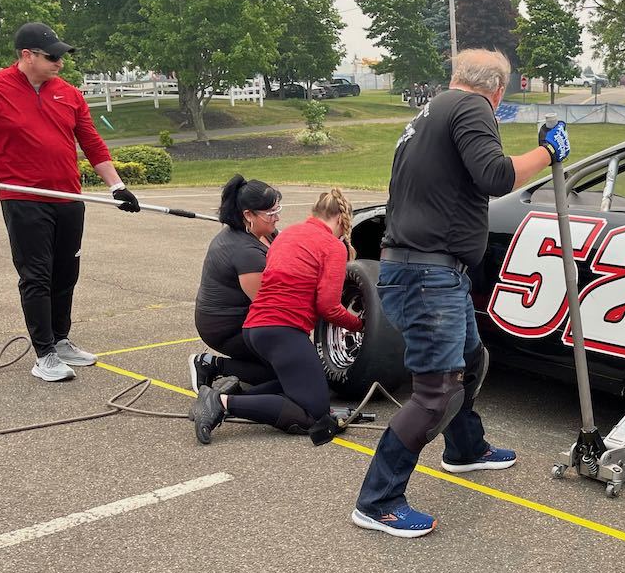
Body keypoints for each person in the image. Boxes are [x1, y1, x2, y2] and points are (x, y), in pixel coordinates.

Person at [351, 47, 571, 539]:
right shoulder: (472, 106)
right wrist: (548, 151)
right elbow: (495, 176)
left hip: (424, 269)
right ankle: (377, 501)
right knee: (436, 393)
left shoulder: (429, 112)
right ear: (497, 90)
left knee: (471, 360)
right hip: (427, 274)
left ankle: (466, 448)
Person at [0, 21, 140, 382]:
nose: (60, 63)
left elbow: (92, 143)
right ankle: (44, 354)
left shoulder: (69, 94)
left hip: (68, 196)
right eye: (52, 57)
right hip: (23, 198)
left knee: (66, 273)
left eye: (61, 57)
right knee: (37, 276)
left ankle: (60, 340)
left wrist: (117, 186)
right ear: (27, 55)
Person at [189, 188, 362, 445]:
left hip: (255, 328)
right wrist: (360, 325)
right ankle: (222, 402)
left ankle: (221, 398)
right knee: (314, 415)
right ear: (340, 219)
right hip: (282, 330)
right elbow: (328, 307)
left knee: (297, 383)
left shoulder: (286, 234)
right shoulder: (332, 246)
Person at [189, 175, 283, 392]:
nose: (277, 218)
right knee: (289, 369)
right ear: (248, 215)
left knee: (293, 360)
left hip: (240, 317)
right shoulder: (245, 252)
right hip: (226, 328)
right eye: (271, 213)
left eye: (278, 210)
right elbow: (270, 306)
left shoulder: (265, 233)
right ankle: (210, 365)